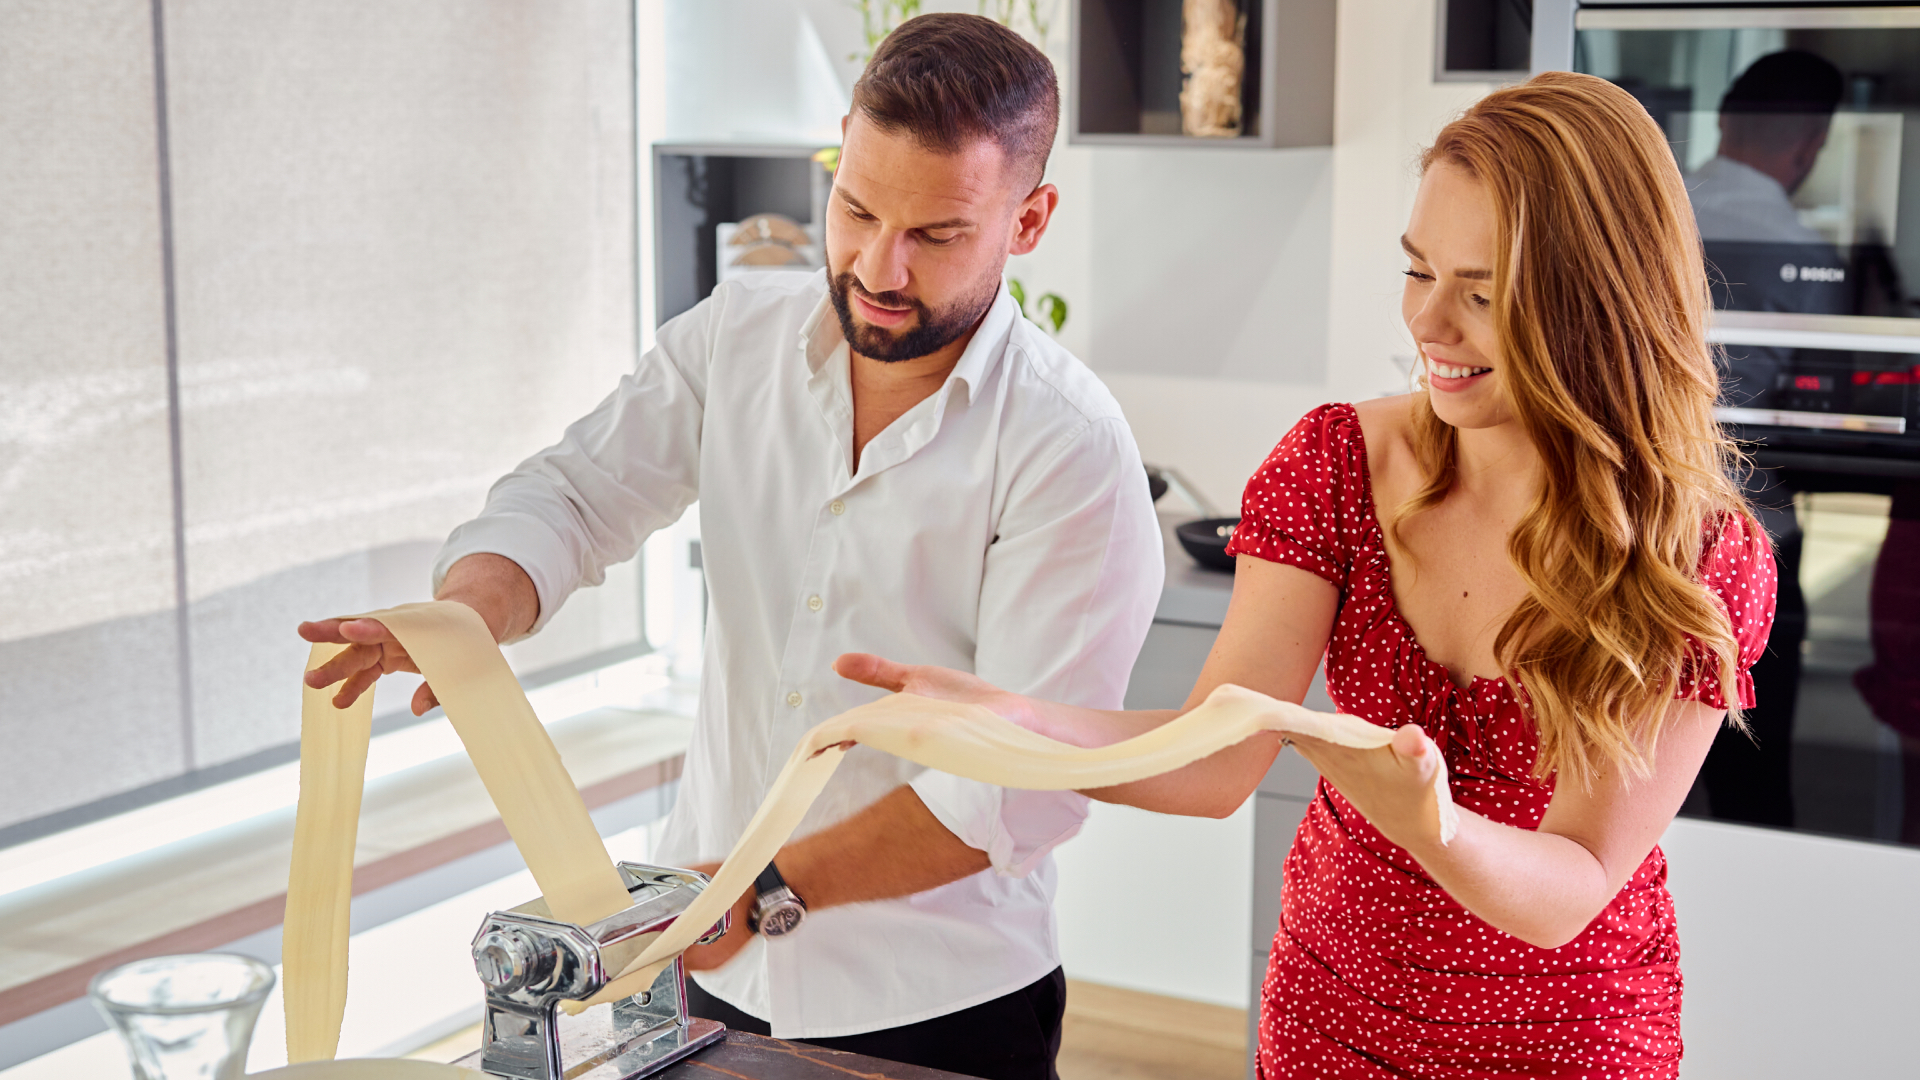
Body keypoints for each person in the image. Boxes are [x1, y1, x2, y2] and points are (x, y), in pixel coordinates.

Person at [840, 72, 1777, 1078]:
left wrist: (1437, 827)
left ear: (1597, 302)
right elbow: (1213, 756)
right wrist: (1010, 721)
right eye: (1419, 272)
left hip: (1568, 1034)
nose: (1431, 326)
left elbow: (1578, 882)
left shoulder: (1695, 558)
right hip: (1336, 1007)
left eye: (1481, 292)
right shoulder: (1337, 467)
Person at [297, 14, 1162, 1079]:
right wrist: (474, 609)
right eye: (855, 208)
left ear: (1028, 220)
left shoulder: (1068, 451)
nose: (878, 267)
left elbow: (1017, 791)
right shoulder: (736, 337)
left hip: (935, 1001)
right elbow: (576, 493)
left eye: (936, 235)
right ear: (840, 148)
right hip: (706, 970)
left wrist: (755, 893)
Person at [1685, 49, 1843, 828]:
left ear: (1722, 120)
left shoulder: (1656, 209)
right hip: (1751, 544)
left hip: (1615, 533)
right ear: (1810, 144)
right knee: (1753, 777)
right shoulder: (1805, 249)